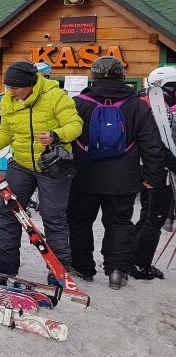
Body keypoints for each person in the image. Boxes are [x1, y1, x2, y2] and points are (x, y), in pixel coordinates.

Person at [0, 61, 83, 281]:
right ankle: (5, 260)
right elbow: (7, 133)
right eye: (8, 87)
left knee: (53, 216)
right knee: (8, 210)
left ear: (31, 84)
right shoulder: (8, 101)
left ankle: (59, 267)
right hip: (22, 164)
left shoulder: (56, 97)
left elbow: (75, 126)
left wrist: (56, 135)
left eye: (15, 87)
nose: (11, 92)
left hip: (53, 165)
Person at [67, 57, 166, 289]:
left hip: (84, 175)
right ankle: (117, 271)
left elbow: (65, 137)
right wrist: (153, 177)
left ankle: (82, 266)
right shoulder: (138, 105)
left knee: (80, 220)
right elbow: (152, 144)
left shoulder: (78, 103)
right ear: (122, 76)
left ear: (94, 75)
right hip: (123, 177)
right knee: (120, 222)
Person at [132, 66, 176, 279]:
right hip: (157, 170)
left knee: (146, 215)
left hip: (142, 168)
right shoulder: (160, 108)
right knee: (154, 220)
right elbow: (159, 145)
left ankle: (133, 259)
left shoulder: (141, 103)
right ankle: (140, 265)